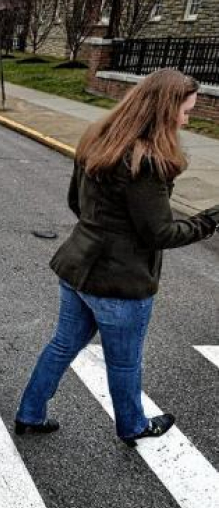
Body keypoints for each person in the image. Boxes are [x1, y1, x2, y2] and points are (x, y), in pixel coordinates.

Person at [15, 69, 219, 447]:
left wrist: (102, 231)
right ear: (165, 109)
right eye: (185, 112)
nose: (187, 119)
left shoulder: (97, 136)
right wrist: (209, 220)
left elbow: (76, 202)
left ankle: (30, 412)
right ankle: (133, 426)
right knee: (124, 362)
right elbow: (160, 233)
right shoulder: (146, 160)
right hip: (121, 283)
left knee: (62, 344)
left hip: (78, 267)